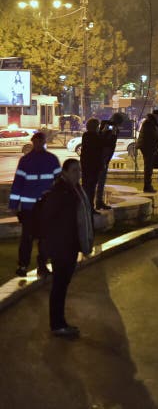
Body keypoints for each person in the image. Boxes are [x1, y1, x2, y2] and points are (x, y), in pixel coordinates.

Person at [39, 158, 93, 337]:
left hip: (70, 246)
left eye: (79, 170)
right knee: (59, 286)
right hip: (61, 247)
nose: (78, 174)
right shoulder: (60, 192)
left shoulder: (74, 189)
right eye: (74, 171)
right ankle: (57, 324)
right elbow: (48, 220)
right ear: (65, 173)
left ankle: (59, 322)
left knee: (62, 285)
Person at [8, 131, 61, 277]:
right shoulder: (34, 160)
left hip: (40, 206)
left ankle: (38, 265)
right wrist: (13, 205)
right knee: (29, 237)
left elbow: (59, 182)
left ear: (43, 142)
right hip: (32, 208)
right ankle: (24, 266)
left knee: (43, 237)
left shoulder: (44, 160)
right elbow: (18, 183)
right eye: (36, 141)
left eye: (39, 141)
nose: (37, 144)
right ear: (33, 142)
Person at [95, 113, 123, 210]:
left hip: (106, 158)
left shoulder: (114, 129)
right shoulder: (104, 127)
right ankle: (97, 201)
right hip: (102, 158)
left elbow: (111, 143)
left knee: (101, 181)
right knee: (98, 181)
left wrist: (114, 134)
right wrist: (104, 131)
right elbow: (102, 142)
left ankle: (99, 201)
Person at [79, 118, 103, 211]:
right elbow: (101, 147)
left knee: (85, 186)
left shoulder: (85, 135)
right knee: (91, 187)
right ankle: (90, 208)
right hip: (93, 165)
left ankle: (85, 207)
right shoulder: (96, 137)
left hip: (85, 164)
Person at [136, 109, 158, 193]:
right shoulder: (149, 122)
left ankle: (148, 185)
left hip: (150, 148)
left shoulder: (152, 122)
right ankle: (147, 186)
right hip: (148, 148)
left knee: (149, 167)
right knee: (148, 167)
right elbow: (150, 136)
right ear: (156, 116)